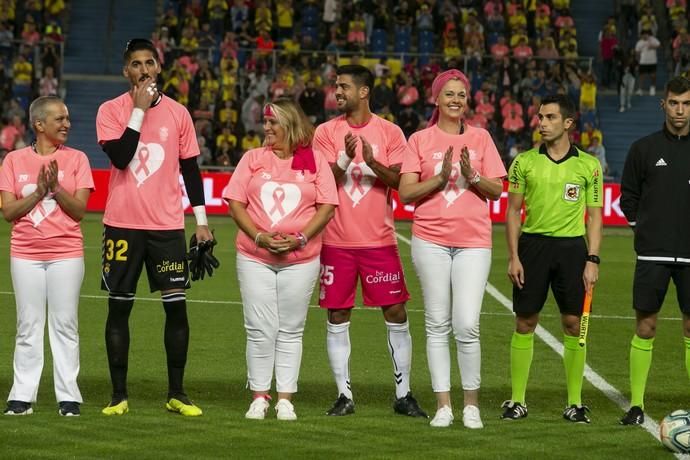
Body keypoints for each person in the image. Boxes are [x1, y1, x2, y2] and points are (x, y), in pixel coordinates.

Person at [96, 38, 213, 417]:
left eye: (149, 63)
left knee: (177, 310)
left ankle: (177, 393)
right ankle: (118, 395)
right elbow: (121, 156)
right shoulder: (110, 110)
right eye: (136, 64)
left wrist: (202, 223)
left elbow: (191, 170)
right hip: (122, 226)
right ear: (125, 70)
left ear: (159, 67)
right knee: (119, 309)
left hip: (166, 229)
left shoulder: (179, 114)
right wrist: (139, 112)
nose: (143, 70)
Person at [312, 64, 427, 418]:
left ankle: (403, 394)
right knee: (337, 313)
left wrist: (373, 161)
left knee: (395, 311)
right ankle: (344, 396)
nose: (338, 91)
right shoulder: (325, 132)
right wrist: (346, 158)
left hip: (379, 242)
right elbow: (321, 182)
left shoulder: (390, 132)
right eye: (336, 85)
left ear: (364, 91)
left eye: (344, 86)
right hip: (336, 241)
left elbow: (401, 183)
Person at [398, 70, 507, 428]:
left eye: (461, 94)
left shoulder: (482, 138)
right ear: (436, 99)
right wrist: (440, 178)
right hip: (430, 240)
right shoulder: (419, 140)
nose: (456, 99)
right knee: (436, 323)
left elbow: (497, 191)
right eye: (449, 94)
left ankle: (471, 405)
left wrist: (472, 176)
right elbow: (406, 193)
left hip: (474, 242)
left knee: (467, 324)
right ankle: (444, 404)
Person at [223, 99, 338, 420]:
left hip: (301, 259)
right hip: (254, 256)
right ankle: (260, 395)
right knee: (259, 328)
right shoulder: (252, 158)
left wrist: (300, 238)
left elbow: (328, 206)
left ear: (290, 124)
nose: (267, 128)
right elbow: (235, 202)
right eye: (266, 121)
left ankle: (285, 398)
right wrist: (259, 236)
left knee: (291, 329)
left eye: (273, 122)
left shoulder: (314, 161)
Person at [502, 94, 603, 424]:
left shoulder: (589, 166)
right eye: (540, 117)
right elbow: (513, 211)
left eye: (549, 117)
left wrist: (593, 259)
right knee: (525, 322)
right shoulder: (523, 162)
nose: (541, 123)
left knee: (573, 325)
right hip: (533, 248)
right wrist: (514, 256)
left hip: (573, 249)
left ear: (568, 123)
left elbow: (596, 216)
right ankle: (517, 401)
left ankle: (574, 402)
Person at [0, 96, 93, 416]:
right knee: (28, 324)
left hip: (66, 254)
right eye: (60, 119)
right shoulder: (13, 160)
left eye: (67, 118)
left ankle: (69, 398)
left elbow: (80, 211)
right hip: (24, 254)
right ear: (39, 125)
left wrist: (56, 188)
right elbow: (8, 211)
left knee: (65, 324)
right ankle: (22, 396)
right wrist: (40, 192)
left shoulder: (78, 159)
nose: (67, 123)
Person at [619, 76, 690, 425]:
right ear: (664, 104)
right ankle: (636, 405)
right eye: (674, 103)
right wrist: (644, 234)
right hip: (652, 256)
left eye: (686, 103)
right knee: (645, 327)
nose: (680, 110)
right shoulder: (643, 149)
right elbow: (627, 198)